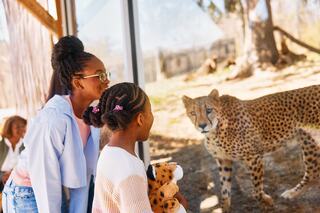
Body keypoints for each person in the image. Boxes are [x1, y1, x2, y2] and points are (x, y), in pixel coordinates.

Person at [2, 35, 110, 213]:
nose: (106, 80)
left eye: (106, 74)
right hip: (26, 191)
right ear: (77, 82)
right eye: (99, 75)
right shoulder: (53, 119)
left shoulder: (90, 118)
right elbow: (44, 178)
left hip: (51, 190)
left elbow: (83, 176)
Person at [83, 82, 188, 213]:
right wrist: (180, 207)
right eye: (150, 112)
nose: (152, 117)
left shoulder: (109, 152)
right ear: (140, 119)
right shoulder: (130, 170)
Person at [0, 116, 27, 189]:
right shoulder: (1, 145)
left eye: (23, 126)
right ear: (9, 129)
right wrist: (2, 176)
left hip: (20, 183)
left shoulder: (26, 145)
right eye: (17, 127)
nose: (21, 129)